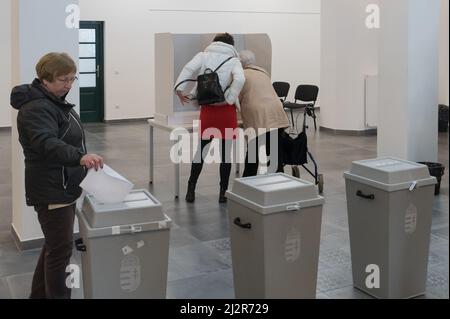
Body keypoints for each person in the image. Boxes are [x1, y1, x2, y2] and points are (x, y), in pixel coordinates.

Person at [10, 52, 103, 299]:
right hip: (52, 187)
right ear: (44, 79)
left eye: (73, 78)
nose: (69, 85)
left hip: (62, 184)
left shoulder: (54, 101)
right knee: (60, 253)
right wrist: (79, 157)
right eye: (63, 79)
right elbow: (45, 142)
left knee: (55, 247)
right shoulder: (37, 108)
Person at [175, 33, 245, 203]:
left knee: (201, 152)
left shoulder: (203, 55)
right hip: (226, 112)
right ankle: (223, 193)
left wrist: (180, 88)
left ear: (215, 42)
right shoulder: (234, 60)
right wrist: (229, 98)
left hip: (208, 110)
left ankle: (190, 190)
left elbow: (188, 69)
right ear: (231, 45)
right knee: (226, 155)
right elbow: (240, 79)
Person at [238, 50, 289, 177]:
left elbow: (235, 98)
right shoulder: (263, 73)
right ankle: (279, 181)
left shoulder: (241, 75)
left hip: (258, 115)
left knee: (253, 152)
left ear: (239, 63)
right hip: (276, 113)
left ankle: (247, 182)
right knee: (274, 151)